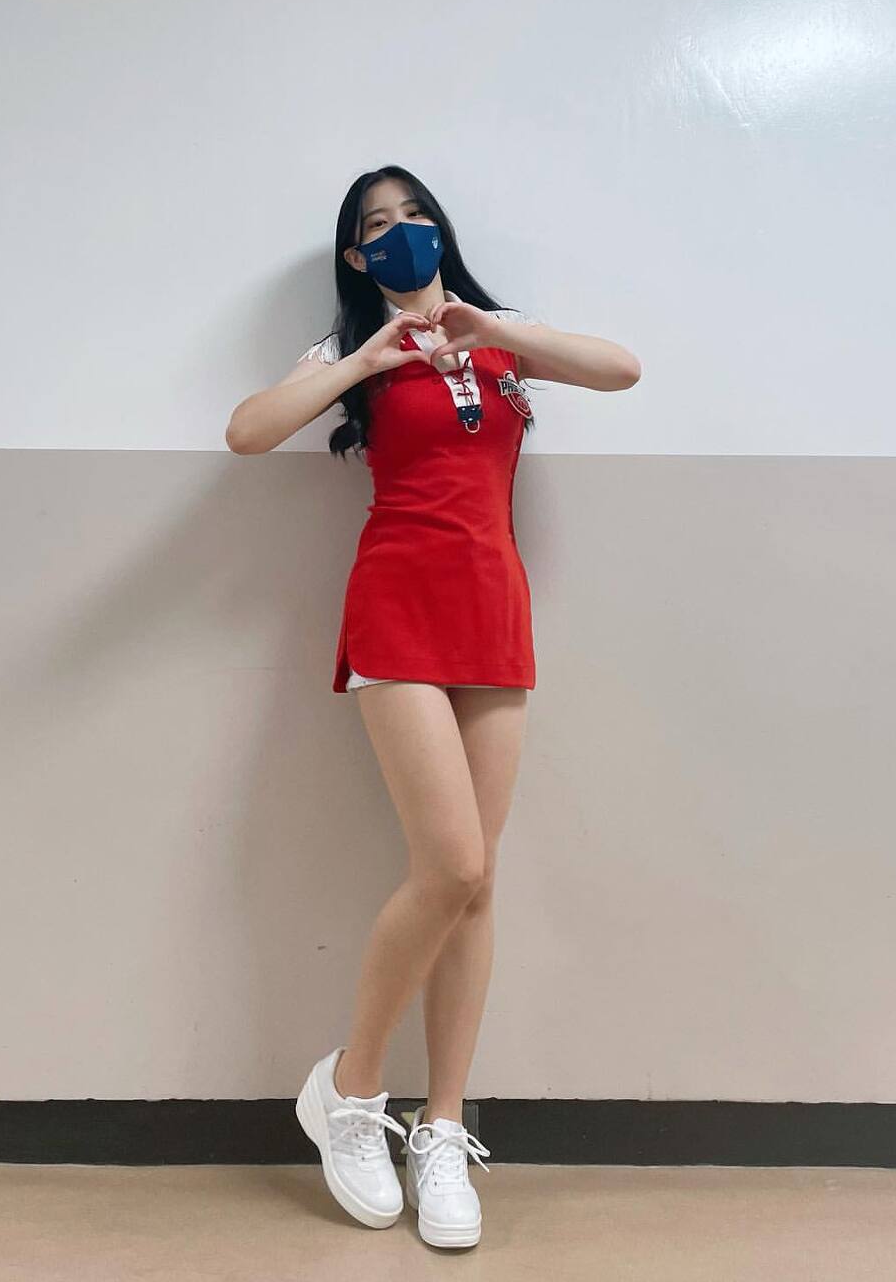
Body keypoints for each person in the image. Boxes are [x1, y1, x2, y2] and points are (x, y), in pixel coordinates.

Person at [224, 164, 641, 1248]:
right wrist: (366, 357)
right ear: (356, 255)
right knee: (448, 863)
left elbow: (621, 368)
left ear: (440, 231)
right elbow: (248, 431)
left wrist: (487, 328)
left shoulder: (496, 331)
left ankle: (442, 1129)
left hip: (492, 607)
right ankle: (352, 1091)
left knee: (477, 882)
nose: (401, 232)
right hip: (398, 607)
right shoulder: (348, 346)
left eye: (415, 215)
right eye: (378, 225)